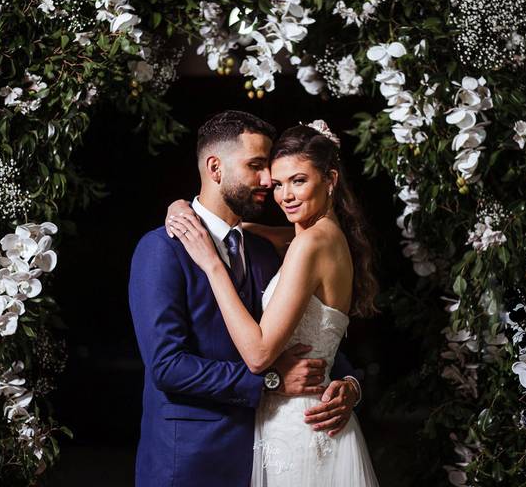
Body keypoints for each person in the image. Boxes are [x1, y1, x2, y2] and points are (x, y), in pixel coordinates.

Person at [128, 111, 361, 487]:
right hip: (190, 460)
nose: (268, 181)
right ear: (215, 168)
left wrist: (349, 382)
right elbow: (167, 366)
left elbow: (306, 331)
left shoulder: (265, 250)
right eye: (256, 166)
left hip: (266, 451)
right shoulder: (162, 249)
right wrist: (270, 381)